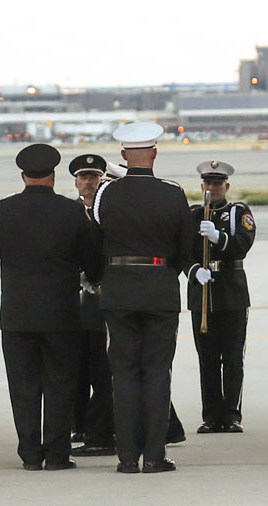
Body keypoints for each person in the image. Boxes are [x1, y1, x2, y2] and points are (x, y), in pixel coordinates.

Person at [0, 142, 100, 470]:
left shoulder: (1, 211)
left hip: (17, 314)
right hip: (62, 312)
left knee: (23, 386)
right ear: (54, 175)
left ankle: (30, 454)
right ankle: (57, 455)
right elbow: (94, 265)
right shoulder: (73, 212)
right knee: (61, 383)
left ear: (23, 175)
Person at [92, 121, 194, 474]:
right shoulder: (172, 192)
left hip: (118, 289)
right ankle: (154, 456)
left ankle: (126, 457)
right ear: (154, 153)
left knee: (124, 374)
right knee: (156, 372)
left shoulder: (107, 193)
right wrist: (167, 274)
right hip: (160, 288)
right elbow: (186, 246)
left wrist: (102, 278)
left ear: (123, 155)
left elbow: (96, 239)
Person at [186, 160, 254, 434]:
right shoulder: (193, 214)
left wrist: (218, 237)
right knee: (208, 358)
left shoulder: (238, 212)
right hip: (202, 292)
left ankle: (231, 414)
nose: (212, 188)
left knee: (233, 357)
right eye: (208, 183)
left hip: (231, 292)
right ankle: (211, 416)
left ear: (227, 185)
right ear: (202, 185)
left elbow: (242, 245)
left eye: (217, 183)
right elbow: (183, 251)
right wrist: (193, 271)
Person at [64, 153, 115, 456]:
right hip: (79, 296)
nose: (88, 182)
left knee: (102, 365)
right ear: (76, 182)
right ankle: (79, 423)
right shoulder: (70, 213)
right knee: (78, 365)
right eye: (83, 178)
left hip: (103, 295)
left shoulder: (107, 213)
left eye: (94, 177)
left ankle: (100, 425)